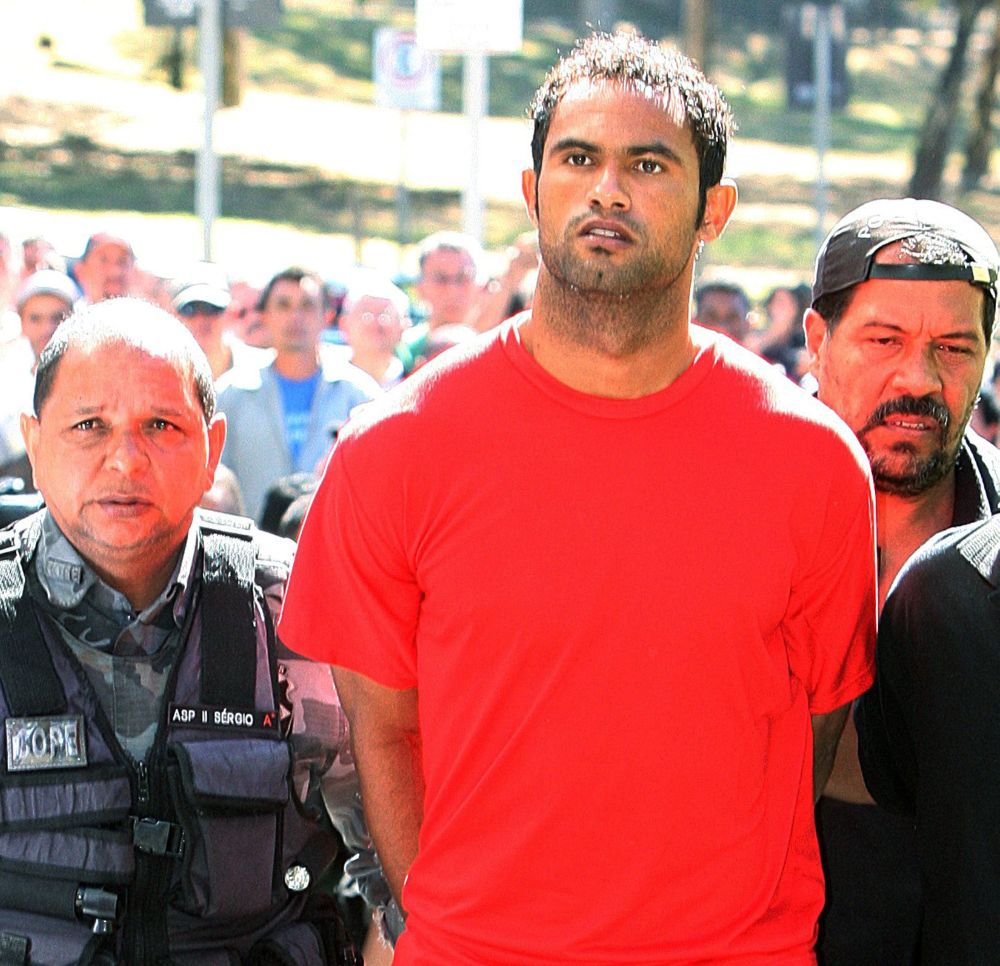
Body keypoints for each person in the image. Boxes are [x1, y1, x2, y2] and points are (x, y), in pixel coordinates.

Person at [279, 31, 877, 964]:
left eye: (648, 163)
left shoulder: (814, 464)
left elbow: (813, 728)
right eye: (578, 158)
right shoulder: (395, 447)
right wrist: (462, 925)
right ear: (533, 192)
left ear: (713, 209)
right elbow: (382, 736)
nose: (607, 188)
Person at [0, 297, 363, 963]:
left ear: (211, 446)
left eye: (161, 425)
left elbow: (395, 868)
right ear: (33, 440)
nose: (125, 460)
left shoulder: (295, 609)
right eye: (89, 425)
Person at [803, 197, 1000, 966]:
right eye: (884, 339)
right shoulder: (717, 516)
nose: (917, 378)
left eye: (954, 348)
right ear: (818, 340)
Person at [216, 266, 379, 523]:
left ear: (327, 315)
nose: (295, 316)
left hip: (332, 548)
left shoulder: (359, 395)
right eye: (283, 305)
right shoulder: (231, 394)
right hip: (250, 549)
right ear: (265, 316)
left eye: (307, 305)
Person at [0, 269, 81, 484]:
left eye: (57, 318)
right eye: (35, 319)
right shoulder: (7, 381)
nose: (47, 329)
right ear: (22, 323)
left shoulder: (93, 379)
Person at [400, 232, 483, 370]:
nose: (452, 290)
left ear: (480, 285)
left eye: (463, 277)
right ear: (419, 288)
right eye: (440, 278)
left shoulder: (504, 346)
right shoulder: (403, 354)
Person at [337, 277, 410, 388]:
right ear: (343, 325)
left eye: (385, 313)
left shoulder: (414, 382)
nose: (375, 322)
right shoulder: (324, 385)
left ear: (402, 328)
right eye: (366, 313)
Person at [72, 231, 135, 303]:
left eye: (122, 261)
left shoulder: (146, 313)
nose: (114, 271)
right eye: (103, 260)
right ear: (81, 271)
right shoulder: (66, 312)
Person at [693, 279, 751, 344]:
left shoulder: (756, 354)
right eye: (711, 317)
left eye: (732, 318)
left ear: (747, 325)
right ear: (694, 322)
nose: (721, 328)